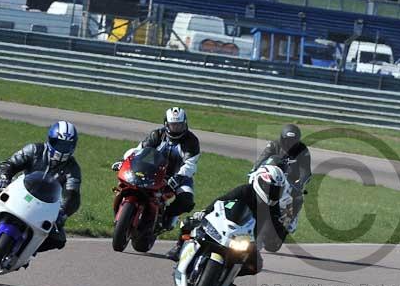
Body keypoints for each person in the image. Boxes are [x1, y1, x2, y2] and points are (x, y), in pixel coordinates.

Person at [0, 120, 81, 253]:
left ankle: (27, 251)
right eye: (59, 143)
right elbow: (9, 164)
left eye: (66, 146)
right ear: (50, 140)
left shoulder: (73, 168)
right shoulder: (34, 150)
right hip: (21, 192)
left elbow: (72, 194)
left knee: (58, 239)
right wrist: (4, 178)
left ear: (73, 146)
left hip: (45, 206)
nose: (62, 149)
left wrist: (62, 213)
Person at [165, 165, 289, 275]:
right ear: (260, 182)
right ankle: (178, 247)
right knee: (188, 223)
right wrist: (205, 212)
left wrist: (283, 229)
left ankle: (227, 275)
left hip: (246, 240)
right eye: (270, 189)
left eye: (276, 191)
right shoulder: (246, 190)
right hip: (224, 227)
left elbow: (274, 241)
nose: (273, 193)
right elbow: (222, 200)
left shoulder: (274, 209)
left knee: (256, 267)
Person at [112, 107, 200, 242]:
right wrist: (123, 161)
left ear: (185, 124)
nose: (176, 128)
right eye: (173, 125)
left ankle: (165, 218)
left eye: (179, 125)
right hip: (153, 171)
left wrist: (178, 178)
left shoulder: (191, 141)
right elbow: (139, 151)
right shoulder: (157, 134)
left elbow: (190, 164)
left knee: (186, 201)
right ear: (166, 124)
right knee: (125, 184)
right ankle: (122, 214)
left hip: (179, 175)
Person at [251, 123, 312, 234]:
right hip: (273, 176)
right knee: (253, 189)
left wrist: (301, 182)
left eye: (293, 141)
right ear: (282, 139)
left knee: (298, 198)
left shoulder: (303, 150)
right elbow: (262, 158)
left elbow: (306, 170)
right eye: (287, 140)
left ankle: (292, 218)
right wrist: (254, 170)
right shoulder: (274, 145)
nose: (290, 144)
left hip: (291, 180)